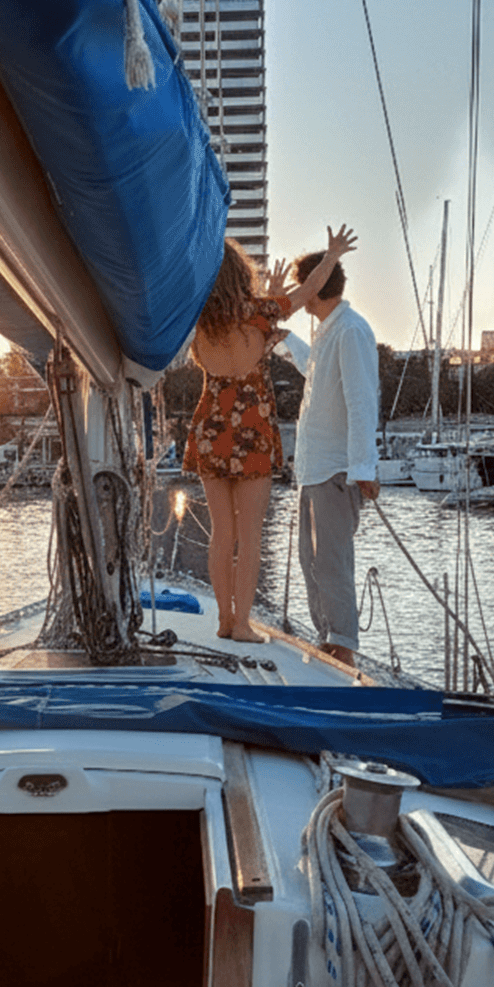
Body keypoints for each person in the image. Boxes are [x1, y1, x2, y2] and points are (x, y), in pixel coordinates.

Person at [185, 227, 356, 641]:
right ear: (242, 277)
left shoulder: (199, 322)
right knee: (250, 534)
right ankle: (242, 623)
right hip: (251, 431)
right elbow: (311, 286)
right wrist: (332, 255)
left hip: (210, 427)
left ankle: (224, 621)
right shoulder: (262, 313)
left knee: (221, 534)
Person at [291, 241, 381, 667]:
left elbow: (362, 400)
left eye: (304, 283)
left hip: (335, 470)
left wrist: (364, 466)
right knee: (311, 561)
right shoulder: (328, 331)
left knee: (332, 560)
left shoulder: (350, 330)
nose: (299, 290)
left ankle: (343, 645)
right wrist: (284, 339)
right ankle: (329, 636)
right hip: (314, 468)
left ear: (317, 286)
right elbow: (315, 369)